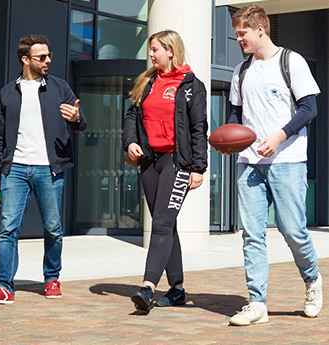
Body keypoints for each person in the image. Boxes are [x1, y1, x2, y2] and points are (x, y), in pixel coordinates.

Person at [226, 4, 323, 326]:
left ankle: (312, 282)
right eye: (237, 34)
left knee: (292, 230)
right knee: (252, 234)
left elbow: (309, 109)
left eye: (242, 34)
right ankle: (257, 304)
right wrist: (230, 142)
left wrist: (279, 136)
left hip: (287, 160)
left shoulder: (290, 61)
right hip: (249, 163)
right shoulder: (240, 71)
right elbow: (234, 117)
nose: (239, 39)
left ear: (259, 30)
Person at [0, 34, 86, 305]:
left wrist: (77, 118)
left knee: (53, 228)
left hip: (50, 170)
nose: (48, 60)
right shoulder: (7, 93)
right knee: (7, 229)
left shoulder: (60, 88)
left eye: (49, 56)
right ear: (25, 60)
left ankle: (52, 278)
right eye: (42, 57)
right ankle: (4, 286)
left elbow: (81, 124)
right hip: (15, 170)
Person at [122, 30, 208, 313]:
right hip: (150, 161)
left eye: (155, 49)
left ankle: (148, 288)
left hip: (177, 161)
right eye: (151, 49)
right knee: (166, 225)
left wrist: (198, 167)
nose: (151, 54)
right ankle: (178, 289)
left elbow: (198, 128)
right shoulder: (147, 82)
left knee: (160, 222)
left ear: (171, 50)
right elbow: (132, 115)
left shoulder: (191, 85)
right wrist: (131, 141)